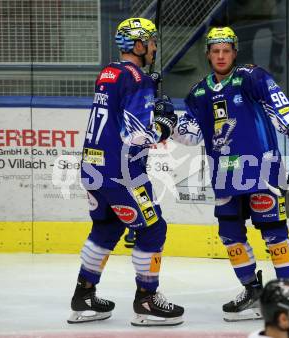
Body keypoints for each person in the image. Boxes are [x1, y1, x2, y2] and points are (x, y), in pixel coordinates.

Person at [171, 27, 289, 321]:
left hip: (261, 168)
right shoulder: (198, 94)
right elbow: (191, 135)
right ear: (208, 55)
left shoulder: (251, 77)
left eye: (226, 50)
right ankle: (252, 292)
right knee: (229, 234)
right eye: (215, 51)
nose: (221, 56)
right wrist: (167, 119)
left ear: (234, 53)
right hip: (225, 175)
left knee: (274, 234)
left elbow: (278, 103)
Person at [67, 17, 183, 327]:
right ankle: (147, 299)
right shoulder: (137, 79)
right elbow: (136, 136)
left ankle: (84, 296)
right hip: (122, 173)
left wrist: (147, 94)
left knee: (106, 229)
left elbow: (120, 107)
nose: (155, 47)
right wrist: (164, 124)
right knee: (153, 228)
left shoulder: (109, 72)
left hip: (93, 166)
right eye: (151, 41)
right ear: (138, 45)